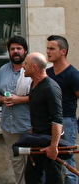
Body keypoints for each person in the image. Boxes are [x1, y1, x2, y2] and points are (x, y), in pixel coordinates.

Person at [0, 36, 32, 184]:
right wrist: (1, 99)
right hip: (9, 126)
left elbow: (42, 96)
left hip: (29, 126)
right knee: (16, 163)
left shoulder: (32, 70)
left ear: (25, 51)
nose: (15, 52)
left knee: (33, 163)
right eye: (12, 49)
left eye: (19, 49)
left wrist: (19, 99)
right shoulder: (2, 69)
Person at [23, 52, 63, 184]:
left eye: (26, 64)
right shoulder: (34, 85)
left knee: (53, 179)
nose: (23, 66)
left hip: (49, 140)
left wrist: (54, 146)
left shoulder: (50, 88)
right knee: (32, 177)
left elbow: (57, 119)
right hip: (37, 139)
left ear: (34, 67)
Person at [46, 35, 79, 184]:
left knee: (68, 163)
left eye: (52, 48)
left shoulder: (73, 74)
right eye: (47, 48)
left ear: (63, 51)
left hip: (67, 121)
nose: (48, 51)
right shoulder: (47, 73)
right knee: (50, 164)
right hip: (49, 122)